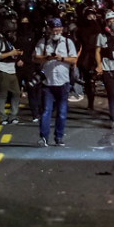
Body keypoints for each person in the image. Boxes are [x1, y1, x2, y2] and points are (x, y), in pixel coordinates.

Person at [33, 18, 78, 146]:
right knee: (46, 111)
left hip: (63, 82)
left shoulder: (68, 43)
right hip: (48, 82)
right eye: (53, 30)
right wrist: (46, 58)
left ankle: (59, 137)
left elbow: (74, 60)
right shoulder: (43, 42)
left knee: (62, 112)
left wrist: (62, 58)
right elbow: (35, 58)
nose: (56, 32)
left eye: (58, 30)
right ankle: (44, 137)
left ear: (62, 29)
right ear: (49, 30)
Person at [0, 17, 22, 125]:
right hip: (2, 70)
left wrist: (17, 58)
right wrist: (11, 54)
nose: (12, 34)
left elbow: (11, 53)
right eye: (10, 32)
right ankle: (2, 117)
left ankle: (13, 116)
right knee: (2, 95)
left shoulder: (8, 41)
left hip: (12, 70)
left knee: (16, 93)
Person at [15, 16, 41, 122]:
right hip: (18, 66)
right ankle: (13, 114)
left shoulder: (33, 35)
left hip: (29, 66)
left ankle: (35, 113)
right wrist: (18, 59)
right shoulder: (17, 35)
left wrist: (26, 60)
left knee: (31, 90)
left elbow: (34, 50)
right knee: (15, 91)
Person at [76, 7, 101, 111]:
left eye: (93, 15)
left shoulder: (99, 27)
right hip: (86, 56)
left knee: (91, 80)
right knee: (88, 80)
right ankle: (90, 103)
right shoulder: (81, 29)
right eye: (89, 16)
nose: (91, 18)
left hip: (97, 55)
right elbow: (79, 44)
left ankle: (91, 103)